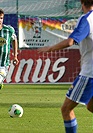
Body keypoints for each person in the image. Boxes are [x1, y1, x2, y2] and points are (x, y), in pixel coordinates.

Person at [37, 0, 93, 132]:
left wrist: (50, 48)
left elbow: (70, 41)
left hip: (90, 74)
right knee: (91, 107)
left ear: (81, 2)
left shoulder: (86, 19)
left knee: (66, 109)